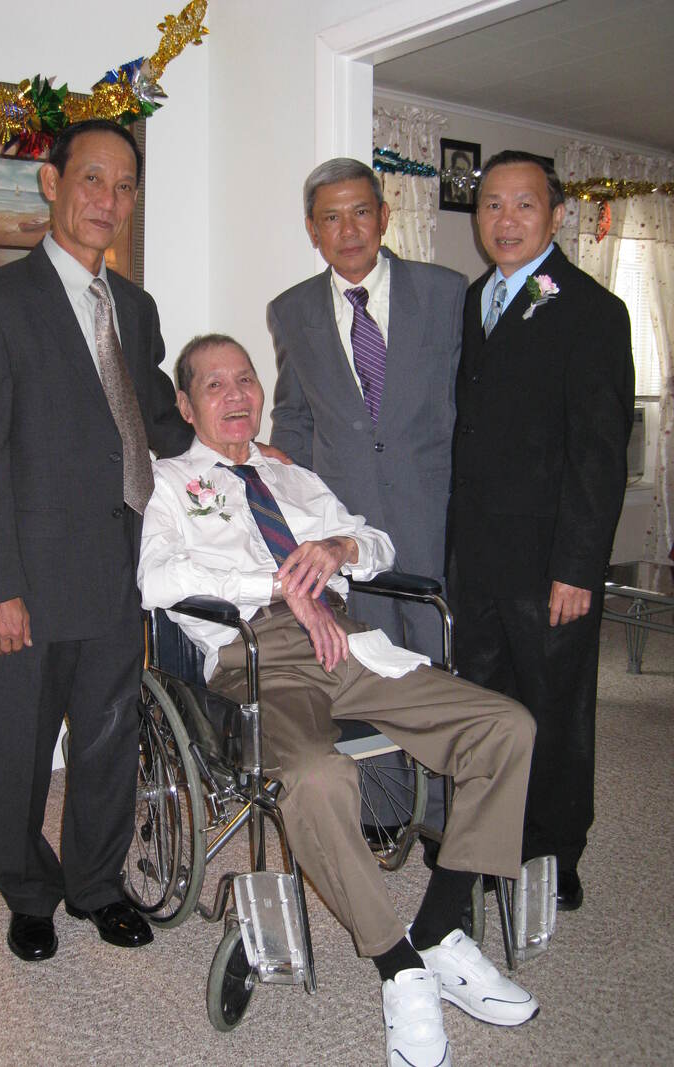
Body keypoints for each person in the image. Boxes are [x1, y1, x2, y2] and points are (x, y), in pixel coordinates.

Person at [139, 334, 540, 1067]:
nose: (236, 394)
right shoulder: (169, 482)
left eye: (245, 379)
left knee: (504, 726)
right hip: (258, 656)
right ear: (187, 407)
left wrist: (338, 552)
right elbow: (157, 582)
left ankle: (440, 928)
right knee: (317, 776)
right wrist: (279, 585)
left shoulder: (292, 477)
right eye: (215, 384)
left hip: (351, 644)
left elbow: (377, 544)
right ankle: (399, 966)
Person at [0, 119, 193, 962]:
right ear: (52, 184)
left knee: (108, 739)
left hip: (122, 568)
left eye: (124, 187)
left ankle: (95, 883)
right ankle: (27, 890)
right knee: (17, 747)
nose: (108, 201)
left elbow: (153, 421)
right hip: (30, 580)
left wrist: (233, 437)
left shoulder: (137, 308)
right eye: (92, 179)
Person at [447, 150, 635, 911]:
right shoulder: (476, 299)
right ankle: (488, 839)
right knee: (483, 703)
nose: (505, 220)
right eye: (491, 204)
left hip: (550, 563)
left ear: (556, 215)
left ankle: (556, 849)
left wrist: (579, 568)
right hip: (478, 556)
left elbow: (600, 455)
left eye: (524, 204)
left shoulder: (592, 311)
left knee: (554, 709)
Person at [268, 157, 467, 661]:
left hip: (434, 515)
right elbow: (294, 417)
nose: (349, 230)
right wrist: (290, 503)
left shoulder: (445, 293)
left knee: (443, 659)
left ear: (383, 215)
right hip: (346, 522)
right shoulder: (291, 310)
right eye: (331, 218)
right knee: (372, 662)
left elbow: (469, 408)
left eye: (360, 212)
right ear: (313, 230)